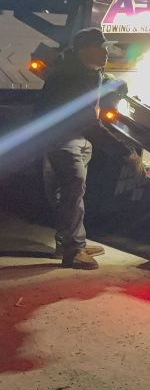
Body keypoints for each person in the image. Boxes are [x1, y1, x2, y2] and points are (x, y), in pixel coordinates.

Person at [35, 27, 136, 270]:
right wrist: (126, 152)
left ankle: (70, 241)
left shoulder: (90, 70)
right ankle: (73, 251)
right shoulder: (67, 78)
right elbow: (88, 123)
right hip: (60, 139)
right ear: (83, 51)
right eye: (101, 48)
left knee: (73, 193)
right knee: (72, 188)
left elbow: (102, 82)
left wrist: (119, 84)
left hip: (79, 138)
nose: (106, 53)